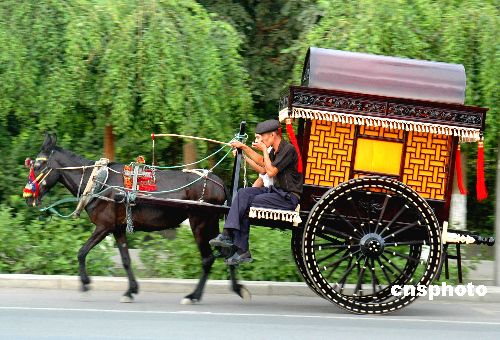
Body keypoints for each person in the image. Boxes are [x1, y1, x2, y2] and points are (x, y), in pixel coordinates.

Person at [209, 119, 303, 265]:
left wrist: (265, 150)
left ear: (272, 135)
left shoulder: (287, 149)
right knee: (243, 193)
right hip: (276, 193)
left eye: (262, 136)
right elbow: (263, 165)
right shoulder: (276, 150)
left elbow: (270, 172)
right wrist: (244, 148)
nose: (261, 140)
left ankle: (234, 242)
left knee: (245, 203)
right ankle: (232, 240)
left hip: (288, 198)